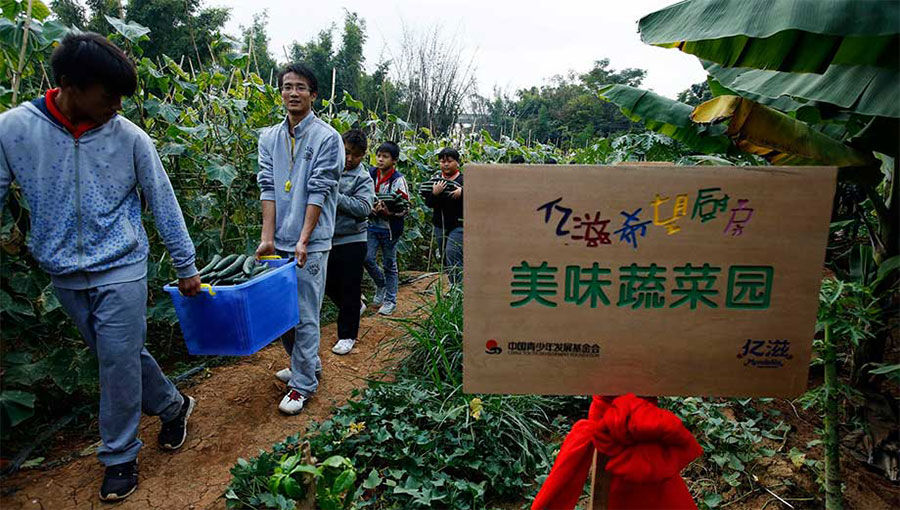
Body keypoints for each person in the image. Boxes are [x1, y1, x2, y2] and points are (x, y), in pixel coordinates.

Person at [0, 33, 200, 502]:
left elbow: (163, 201)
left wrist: (186, 264)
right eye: (108, 96)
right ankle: (173, 406)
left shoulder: (129, 137)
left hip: (122, 264)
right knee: (119, 357)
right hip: (63, 270)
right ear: (70, 85)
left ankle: (119, 456)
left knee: (116, 360)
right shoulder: (13, 130)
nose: (116, 106)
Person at [256, 63, 343, 415]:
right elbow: (267, 186)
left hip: (312, 242)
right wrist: (267, 237)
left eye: (301, 87)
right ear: (280, 92)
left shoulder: (327, 138)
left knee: (305, 315)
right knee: (281, 314)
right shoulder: (269, 138)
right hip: (279, 242)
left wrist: (304, 239)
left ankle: (303, 384)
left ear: (313, 94)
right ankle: (306, 365)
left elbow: (319, 190)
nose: (293, 93)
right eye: (287, 86)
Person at [325, 129, 375, 355]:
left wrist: (334, 196)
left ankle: (347, 336)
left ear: (363, 155)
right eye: (346, 152)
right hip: (326, 237)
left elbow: (364, 208)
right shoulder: (328, 169)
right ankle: (356, 305)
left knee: (349, 287)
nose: (349, 158)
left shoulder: (362, 178)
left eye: (355, 155)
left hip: (353, 239)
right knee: (326, 283)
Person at [363, 141, 409, 315]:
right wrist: (370, 208)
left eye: (385, 157)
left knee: (389, 264)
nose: (380, 159)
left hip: (390, 229)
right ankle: (381, 284)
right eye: (379, 156)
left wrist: (388, 212)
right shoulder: (370, 174)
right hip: (371, 226)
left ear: (394, 160)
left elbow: (405, 208)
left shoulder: (398, 180)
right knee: (366, 258)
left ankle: (390, 300)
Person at [423, 147, 464, 286]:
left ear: (457, 163)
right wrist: (435, 193)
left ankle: (458, 289)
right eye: (442, 161)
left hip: (459, 225)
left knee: (452, 252)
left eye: (449, 161)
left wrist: (463, 192)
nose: (445, 164)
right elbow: (429, 203)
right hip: (440, 225)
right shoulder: (434, 181)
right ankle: (455, 285)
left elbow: (478, 196)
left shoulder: (464, 180)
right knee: (445, 256)